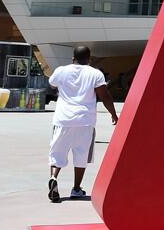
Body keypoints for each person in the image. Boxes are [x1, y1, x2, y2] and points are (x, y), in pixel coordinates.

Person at [47, 46, 118, 203]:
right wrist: (114, 114)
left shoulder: (61, 70)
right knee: (81, 155)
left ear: (73, 58)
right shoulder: (95, 73)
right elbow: (104, 95)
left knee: (57, 154)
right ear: (89, 59)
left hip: (62, 120)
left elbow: (52, 84)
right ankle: (77, 189)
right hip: (85, 121)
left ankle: (53, 177)